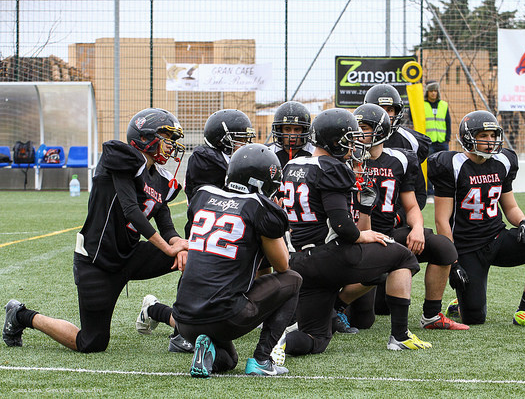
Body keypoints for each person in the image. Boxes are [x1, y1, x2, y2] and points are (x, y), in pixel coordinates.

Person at [3, 108, 189, 352]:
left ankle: (175, 325)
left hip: (130, 255)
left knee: (196, 258)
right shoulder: (121, 159)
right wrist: (167, 248)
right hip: (97, 262)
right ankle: (21, 315)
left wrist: (178, 245)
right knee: (91, 343)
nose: (171, 145)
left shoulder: (161, 178)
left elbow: (164, 221)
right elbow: (130, 209)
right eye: (167, 138)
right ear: (145, 137)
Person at [271, 108, 430, 364]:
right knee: (403, 257)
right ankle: (399, 336)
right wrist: (361, 236)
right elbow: (342, 225)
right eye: (348, 138)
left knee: (316, 338)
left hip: (298, 259)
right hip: (329, 255)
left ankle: (278, 341)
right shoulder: (333, 167)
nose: (354, 144)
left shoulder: (293, 164)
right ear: (334, 140)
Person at [170, 144, 302, 377]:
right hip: (223, 315)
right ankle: (262, 359)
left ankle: (206, 347)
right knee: (293, 280)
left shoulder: (203, 196)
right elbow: (282, 266)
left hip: (184, 320)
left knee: (229, 361)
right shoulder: (259, 207)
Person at [135, 108, 256, 352]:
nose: (244, 144)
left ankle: (156, 311)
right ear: (221, 138)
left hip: (232, 226)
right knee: (198, 277)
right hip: (208, 229)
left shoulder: (226, 158)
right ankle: (178, 332)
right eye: (238, 138)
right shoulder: (205, 157)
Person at [340, 104, 468, 331]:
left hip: (388, 235)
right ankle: (335, 304)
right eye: (356, 128)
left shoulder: (400, 159)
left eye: (365, 127)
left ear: (380, 131)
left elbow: (411, 205)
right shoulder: (342, 160)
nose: (359, 133)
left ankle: (431, 315)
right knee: (364, 320)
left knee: (443, 247)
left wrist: (417, 227)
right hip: (354, 238)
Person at [428, 110, 525, 327]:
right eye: (483, 136)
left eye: (492, 135)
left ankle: (524, 311)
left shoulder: (503, 162)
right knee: (475, 318)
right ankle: (460, 303)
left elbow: (510, 206)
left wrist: (524, 222)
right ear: (469, 137)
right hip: (467, 247)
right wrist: (453, 261)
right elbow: (442, 220)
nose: (490, 141)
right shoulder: (452, 165)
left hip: (497, 238)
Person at [364, 84, 430, 209]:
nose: (385, 116)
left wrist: (400, 218)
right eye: (380, 110)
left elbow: (419, 192)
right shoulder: (359, 138)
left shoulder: (411, 141)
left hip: (396, 214)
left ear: (397, 111)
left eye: (389, 110)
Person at [423, 80, 452, 204]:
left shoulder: (444, 105)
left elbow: (448, 122)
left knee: (445, 168)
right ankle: (430, 193)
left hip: (442, 142)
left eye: (435, 91)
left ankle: (444, 191)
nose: (433, 93)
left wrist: (447, 139)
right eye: (431, 91)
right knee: (429, 168)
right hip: (429, 142)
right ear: (427, 92)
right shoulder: (422, 105)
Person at [267, 101, 314, 167]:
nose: (292, 135)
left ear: (304, 130)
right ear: (280, 130)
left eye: (297, 129)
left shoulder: (314, 152)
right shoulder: (269, 153)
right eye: (287, 129)